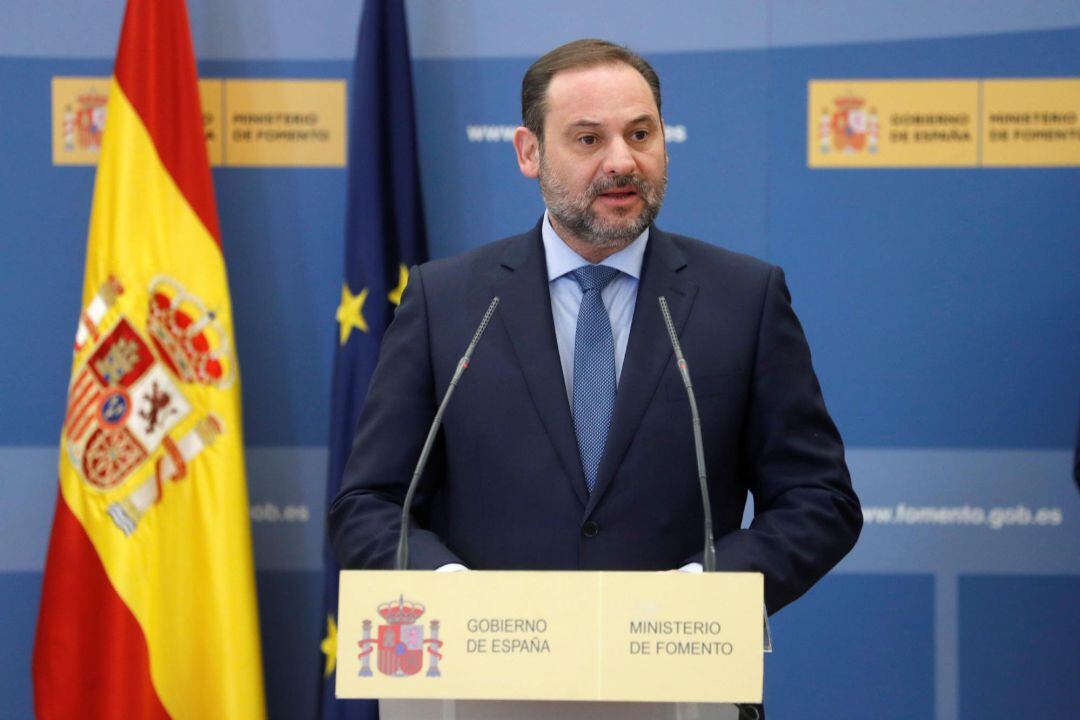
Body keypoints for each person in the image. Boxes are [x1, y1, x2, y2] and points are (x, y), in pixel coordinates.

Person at [330, 36, 860, 629]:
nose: (622, 162)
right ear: (529, 153)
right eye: (589, 139)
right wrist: (452, 596)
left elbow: (820, 501)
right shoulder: (447, 301)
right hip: (492, 680)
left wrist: (707, 591)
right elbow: (369, 505)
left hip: (677, 680)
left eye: (640, 135)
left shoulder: (743, 298)